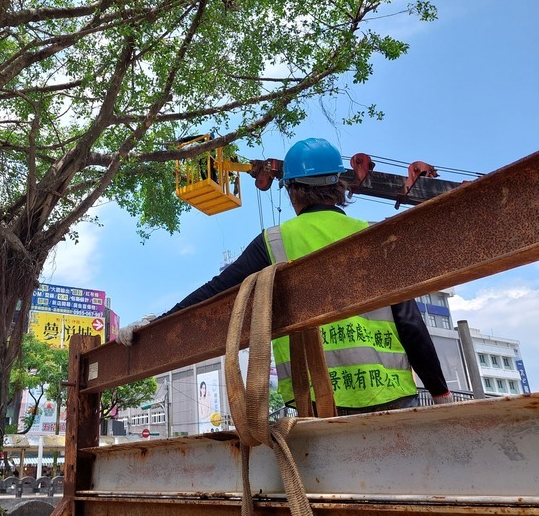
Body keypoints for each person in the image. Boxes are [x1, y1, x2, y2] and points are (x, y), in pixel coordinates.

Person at [118, 137, 452, 414]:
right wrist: (439, 392)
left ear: (292, 190)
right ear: (339, 185)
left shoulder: (274, 242)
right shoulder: (375, 236)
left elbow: (214, 293)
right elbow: (409, 322)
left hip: (318, 404)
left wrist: (155, 325)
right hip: (393, 398)